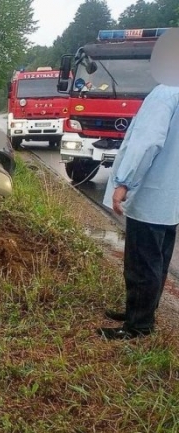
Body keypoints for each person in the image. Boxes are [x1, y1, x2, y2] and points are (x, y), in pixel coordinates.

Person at [98, 82, 179, 340]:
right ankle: (141, 312)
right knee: (158, 261)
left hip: (151, 193)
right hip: (171, 196)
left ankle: (138, 327)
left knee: (141, 264)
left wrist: (124, 182)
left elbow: (147, 143)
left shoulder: (165, 92)